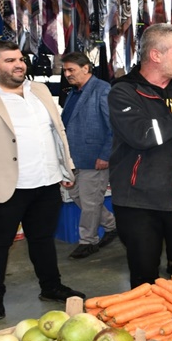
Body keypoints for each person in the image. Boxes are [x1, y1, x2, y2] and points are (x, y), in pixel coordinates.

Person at [0, 40, 84, 321]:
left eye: (20, 58)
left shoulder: (40, 91)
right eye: (9, 60)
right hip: (3, 186)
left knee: (43, 240)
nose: (19, 64)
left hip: (46, 183)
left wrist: (65, 169)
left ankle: (51, 286)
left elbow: (57, 132)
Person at [107, 23, 172, 288]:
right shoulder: (123, 91)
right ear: (156, 55)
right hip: (139, 203)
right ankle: (148, 327)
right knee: (145, 278)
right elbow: (144, 135)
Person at [60, 52, 118, 259]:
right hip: (73, 158)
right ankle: (112, 225)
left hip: (95, 158)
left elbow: (114, 126)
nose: (67, 74)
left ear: (86, 68)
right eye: (65, 70)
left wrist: (105, 155)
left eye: (71, 70)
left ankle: (88, 241)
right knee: (80, 198)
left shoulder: (102, 90)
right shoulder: (72, 93)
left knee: (90, 202)